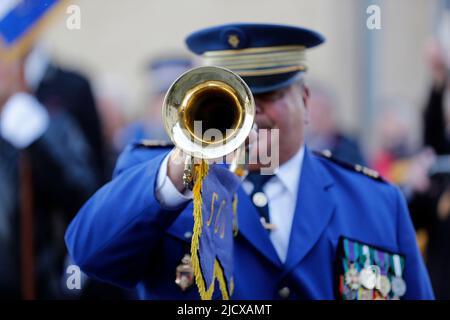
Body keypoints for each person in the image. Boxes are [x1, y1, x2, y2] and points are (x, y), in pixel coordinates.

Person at [65, 23, 434, 300]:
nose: (252, 113)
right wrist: (184, 167)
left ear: (305, 101)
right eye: (231, 97)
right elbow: (91, 255)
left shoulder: (374, 200)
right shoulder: (164, 179)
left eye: (269, 93)